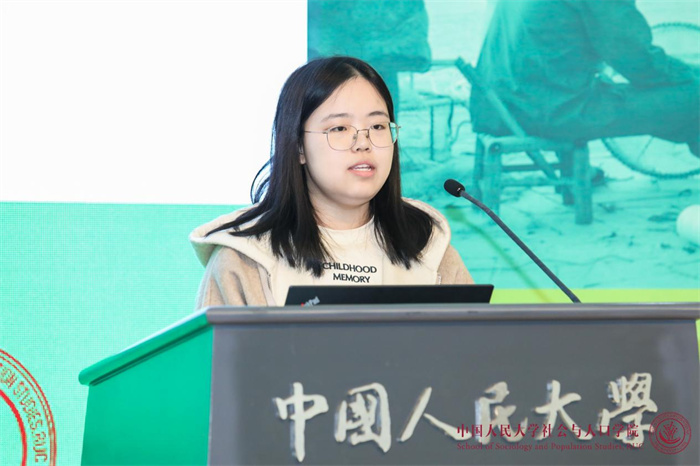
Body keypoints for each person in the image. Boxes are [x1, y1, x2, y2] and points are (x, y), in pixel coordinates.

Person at [190, 56, 473, 308]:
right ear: (298, 146)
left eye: (377, 126)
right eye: (339, 128)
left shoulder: (428, 244)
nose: (363, 143)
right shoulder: (245, 259)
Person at [469, 0, 700, 155]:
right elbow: (635, 60)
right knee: (694, 97)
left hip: (500, 105)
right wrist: (689, 73)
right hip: (550, 111)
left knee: (682, 98)